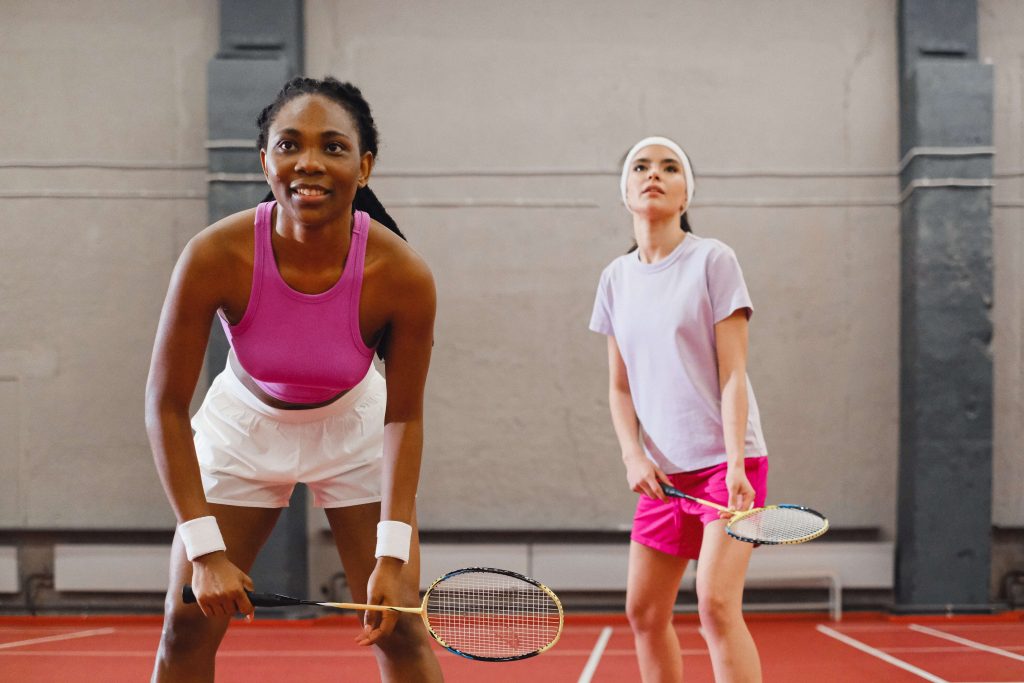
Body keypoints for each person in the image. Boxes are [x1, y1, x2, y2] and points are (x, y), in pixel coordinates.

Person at [146, 76, 444, 682]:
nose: (309, 162)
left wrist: (392, 554)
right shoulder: (213, 255)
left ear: (363, 167)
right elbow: (166, 405)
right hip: (242, 430)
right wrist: (204, 552)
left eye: (332, 147)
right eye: (289, 145)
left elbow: (405, 416)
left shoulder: (402, 274)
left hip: (357, 428)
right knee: (185, 626)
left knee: (402, 629)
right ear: (265, 161)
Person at [589, 136, 768, 682]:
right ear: (625, 192)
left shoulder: (713, 260)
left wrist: (736, 464)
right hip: (663, 475)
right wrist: (632, 457)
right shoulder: (615, 279)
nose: (654, 175)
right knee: (644, 613)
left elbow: (734, 371)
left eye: (670, 167)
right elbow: (620, 388)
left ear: (687, 192)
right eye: (640, 167)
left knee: (715, 607)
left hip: (727, 467)